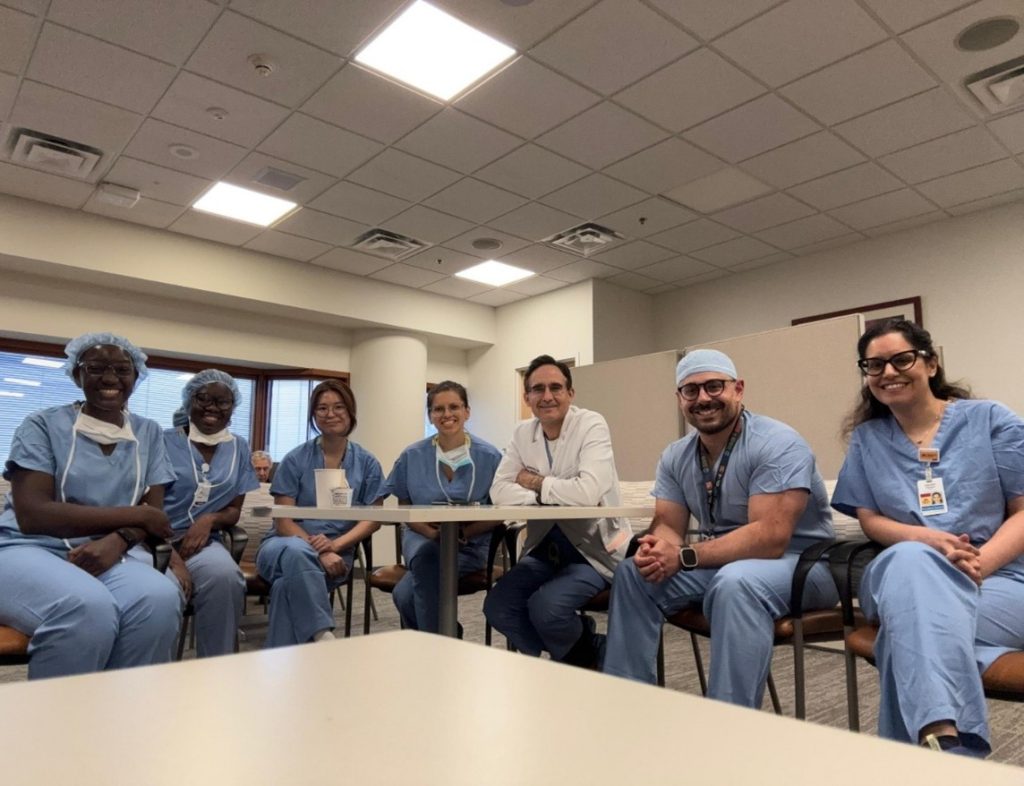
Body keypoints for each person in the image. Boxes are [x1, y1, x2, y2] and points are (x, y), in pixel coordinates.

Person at [603, 349, 837, 708]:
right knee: (635, 574)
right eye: (691, 390)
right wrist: (657, 551)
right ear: (680, 399)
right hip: (724, 562)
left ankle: (728, 721)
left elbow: (770, 538)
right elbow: (668, 524)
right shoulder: (676, 455)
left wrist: (683, 556)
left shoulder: (778, 443)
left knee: (736, 583)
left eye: (714, 386)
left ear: (738, 389)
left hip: (803, 565)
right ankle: (626, 703)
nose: (703, 398)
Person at [832, 319, 1024, 758]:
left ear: (931, 363)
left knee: (911, 633)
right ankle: (950, 746)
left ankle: (936, 746)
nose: (888, 372)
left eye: (902, 359)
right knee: (912, 561)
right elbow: (870, 519)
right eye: (874, 365)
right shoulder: (867, 439)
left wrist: (979, 563)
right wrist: (926, 539)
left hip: (999, 579)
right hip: (901, 574)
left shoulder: (990, 420)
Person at [0, 332, 181, 679]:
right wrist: (137, 515)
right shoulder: (42, 425)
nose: (110, 378)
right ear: (76, 374)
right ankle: (61, 712)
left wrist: (119, 539)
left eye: (122, 369)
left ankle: (122, 707)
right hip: (27, 547)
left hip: (108, 550)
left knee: (159, 598)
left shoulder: (148, 432)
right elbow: (34, 514)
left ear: (136, 376)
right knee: (86, 607)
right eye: (96, 368)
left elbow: (154, 515)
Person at [485, 355, 631, 667]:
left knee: (546, 608)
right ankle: (584, 649)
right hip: (545, 550)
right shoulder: (522, 434)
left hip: (592, 551)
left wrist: (533, 482)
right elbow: (499, 491)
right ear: (527, 397)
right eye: (538, 389)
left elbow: (588, 492)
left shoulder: (590, 424)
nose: (547, 396)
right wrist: (547, 496)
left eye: (556, 387)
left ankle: (572, 660)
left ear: (570, 393)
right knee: (498, 606)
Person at [256, 379, 385, 647]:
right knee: (296, 551)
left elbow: (373, 519)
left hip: (338, 553)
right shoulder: (295, 459)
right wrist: (320, 551)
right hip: (283, 545)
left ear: (350, 411)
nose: (330, 414)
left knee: (284, 588)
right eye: (322, 408)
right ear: (313, 414)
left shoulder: (367, 463)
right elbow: (283, 521)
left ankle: (278, 662)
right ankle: (323, 636)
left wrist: (334, 546)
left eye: (338, 407)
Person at [384, 381, 502, 633]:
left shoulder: (490, 457)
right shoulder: (412, 456)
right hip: (421, 539)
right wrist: (431, 533)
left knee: (405, 596)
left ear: (467, 412)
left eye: (454, 407)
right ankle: (443, 641)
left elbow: (500, 511)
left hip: (468, 546)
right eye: (438, 409)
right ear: (430, 416)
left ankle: (444, 640)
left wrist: (463, 533)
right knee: (428, 556)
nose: (447, 414)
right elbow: (405, 505)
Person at [162, 369, 258, 657]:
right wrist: (172, 556)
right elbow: (142, 504)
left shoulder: (239, 447)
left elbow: (234, 510)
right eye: (203, 398)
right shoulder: (162, 441)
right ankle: (155, 673)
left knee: (226, 577)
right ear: (188, 401)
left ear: (233, 407)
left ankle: (217, 668)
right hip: (156, 540)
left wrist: (209, 520)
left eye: (222, 402)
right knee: (164, 592)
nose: (212, 407)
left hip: (204, 542)